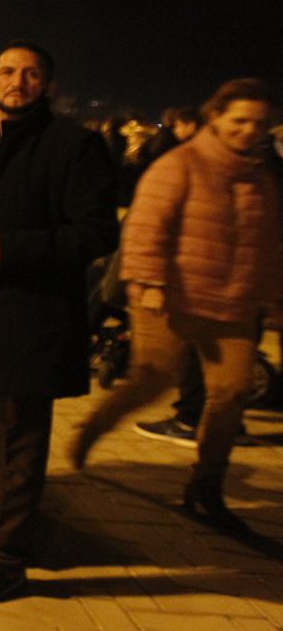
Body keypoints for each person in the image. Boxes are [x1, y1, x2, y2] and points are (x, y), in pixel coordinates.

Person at [0, 41, 118, 602]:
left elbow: (95, 234)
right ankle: (2, 532)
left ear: (49, 86)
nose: (19, 81)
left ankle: (9, 561)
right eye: (8, 72)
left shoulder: (75, 146)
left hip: (31, 316)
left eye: (32, 73)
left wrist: (4, 248)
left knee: (21, 440)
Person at [71, 80, 280, 534]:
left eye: (258, 123)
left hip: (233, 306)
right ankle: (92, 428)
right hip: (170, 297)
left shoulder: (261, 179)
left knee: (233, 393)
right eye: (239, 120)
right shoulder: (181, 165)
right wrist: (146, 282)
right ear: (216, 117)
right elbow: (146, 227)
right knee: (153, 381)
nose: (248, 130)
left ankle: (206, 486)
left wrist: (272, 295)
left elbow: (266, 246)